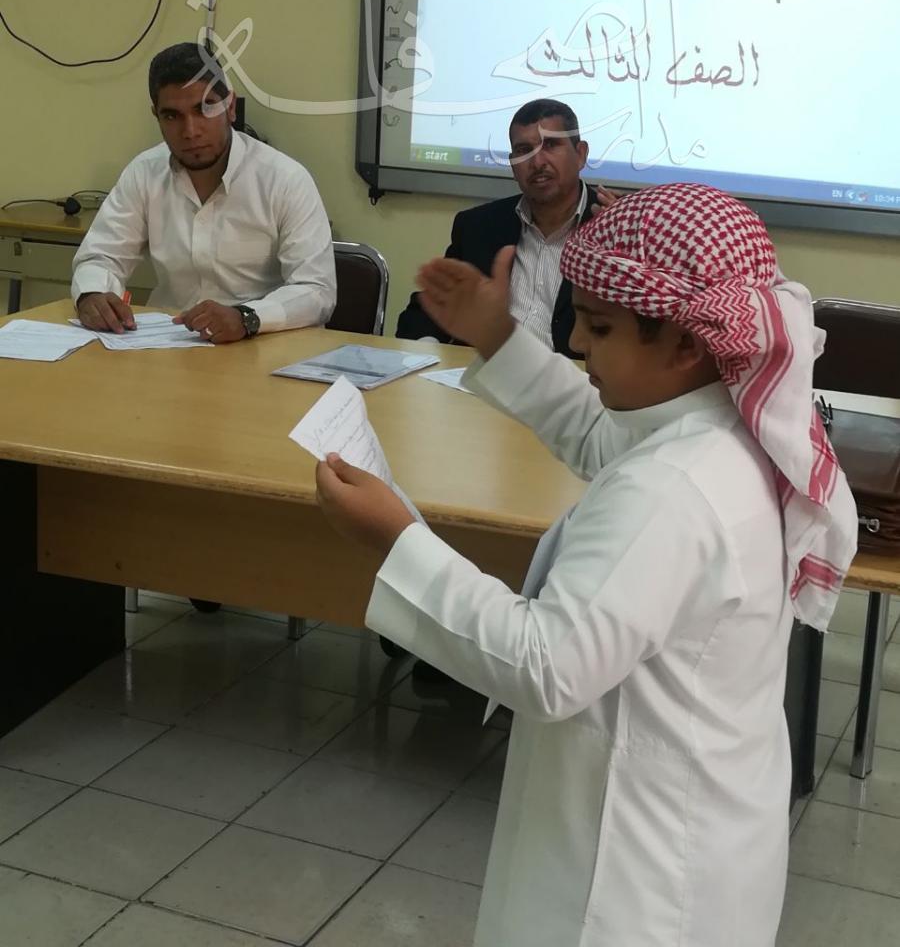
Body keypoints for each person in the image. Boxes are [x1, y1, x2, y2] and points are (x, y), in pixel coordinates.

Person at [315, 183, 858, 947]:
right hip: (694, 825)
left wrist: (397, 539)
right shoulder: (717, 422)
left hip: (636, 879)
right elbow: (604, 437)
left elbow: (547, 665)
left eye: (599, 327)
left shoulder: (674, 490)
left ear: (687, 343)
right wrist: (498, 336)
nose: (575, 343)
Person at [72, 41, 336, 343]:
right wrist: (92, 294)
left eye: (204, 109)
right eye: (172, 116)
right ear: (156, 116)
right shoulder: (145, 173)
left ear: (230, 107)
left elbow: (316, 290)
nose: (190, 131)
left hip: (261, 345)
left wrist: (246, 317)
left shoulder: (285, 179)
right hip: (169, 345)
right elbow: (101, 255)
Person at [396, 99, 615, 356]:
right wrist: (432, 354)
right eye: (524, 150)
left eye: (550, 145)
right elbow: (426, 313)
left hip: (576, 377)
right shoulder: (478, 226)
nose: (537, 162)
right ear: (513, 164)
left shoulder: (616, 227)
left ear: (580, 154)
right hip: (491, 372)